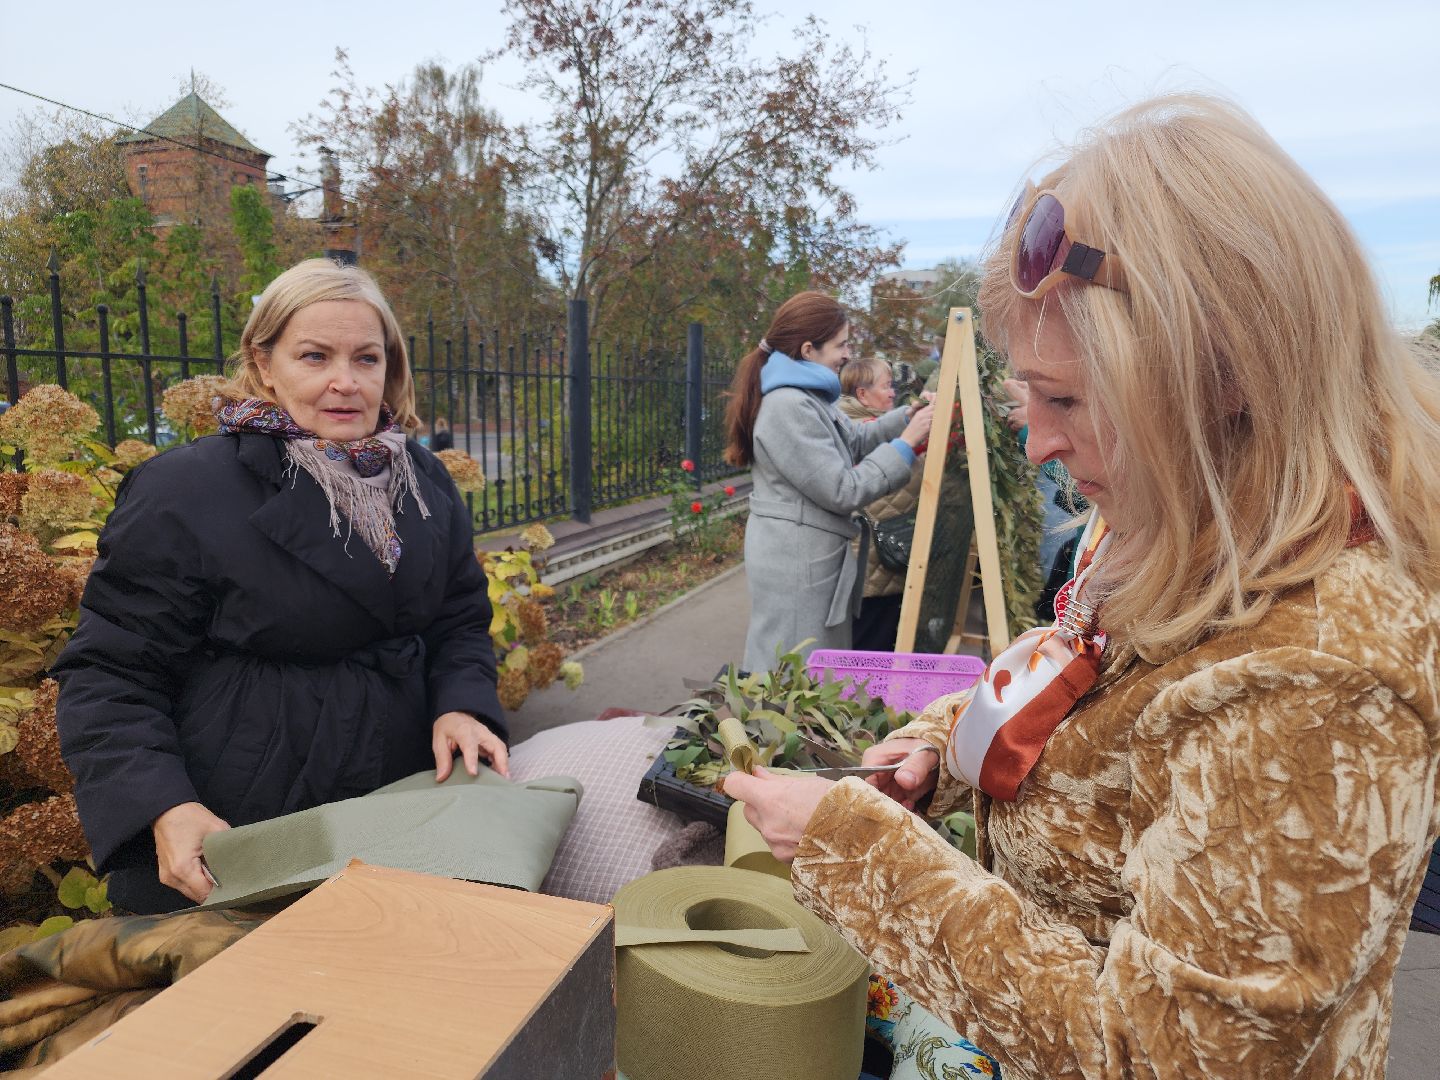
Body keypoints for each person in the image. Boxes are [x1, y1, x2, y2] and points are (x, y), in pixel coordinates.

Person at [725, 94, 1440, 1078]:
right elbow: (1083, 680)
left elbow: (1154, 1057)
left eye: (1063, 399)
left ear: (1218, 374)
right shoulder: (1180, 513)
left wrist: (859, 851)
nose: (1039, 443)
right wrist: (946, 743)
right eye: (1028, 394)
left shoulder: (1315, 680)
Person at [55, 259, 507, 914]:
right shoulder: (183, 492)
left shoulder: (423, 482)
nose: (344, 383)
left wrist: (462, 703)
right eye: (315, 356)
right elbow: (112, 673)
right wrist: (164, 806)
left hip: (400, 806)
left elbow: (458, 620)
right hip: (246, 828)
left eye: (367, 358)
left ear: (391, 369)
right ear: (264, 364)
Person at [724, 291, 933, 672]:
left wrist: (909, 415)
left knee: (807, 662)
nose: (848, 353)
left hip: (805, 556)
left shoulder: (806, 398)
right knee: (792, 665)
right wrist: (906, 444)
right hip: (796, 562)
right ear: (808, 349)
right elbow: (842, 489)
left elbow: (851, 440)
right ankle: (768, 730)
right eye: (842, 344)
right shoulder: (788, 406)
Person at [837, 358, 924, 651]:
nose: (892, 393)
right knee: (871, 642)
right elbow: (898, 472)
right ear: (862, 394)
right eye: (886, 386)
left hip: (879, 555)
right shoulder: (863, 430)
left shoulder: (866, 425)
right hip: (876, 558)